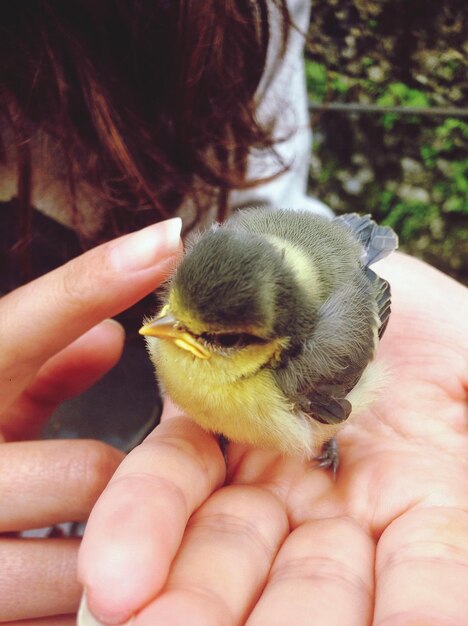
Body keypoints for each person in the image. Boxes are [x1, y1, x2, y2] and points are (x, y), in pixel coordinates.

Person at [0, 3, 466, 626]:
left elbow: (269, 197)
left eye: (209, 337)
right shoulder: (208, 278)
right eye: (173, 306)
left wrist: (327, 451)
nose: (163, 328)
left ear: (273, 346)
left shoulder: (309, 367)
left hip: (336, 266)